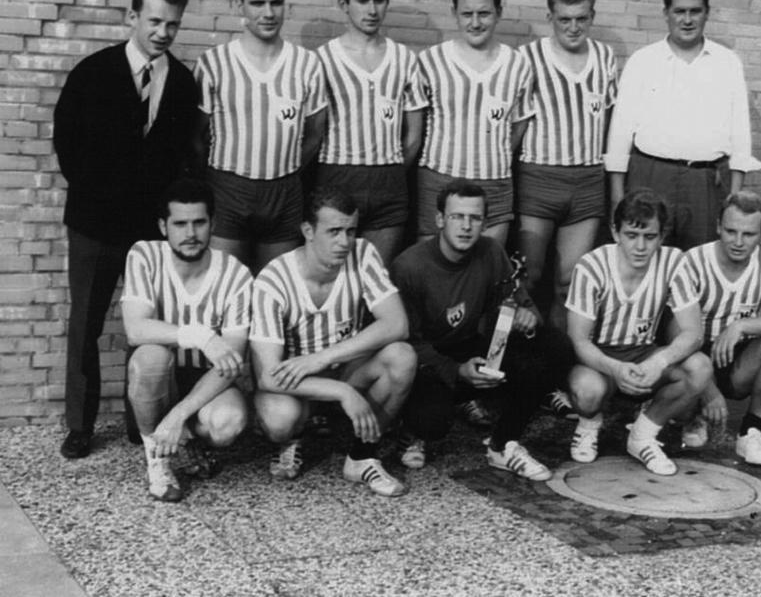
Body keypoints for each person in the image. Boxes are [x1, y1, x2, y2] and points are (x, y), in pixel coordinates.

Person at [53, 0, 200, 459]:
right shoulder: (92, 73)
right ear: (132, 16)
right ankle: (80, 425)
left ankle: (144, 421)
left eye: (173, 24)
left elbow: (181, 155)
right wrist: (100, 197)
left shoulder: (180, 82)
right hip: (94, 225)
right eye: (155, 21)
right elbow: (66, 145)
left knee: (148, 325)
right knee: (87, 324)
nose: (163, 32)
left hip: (146, 233)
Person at [391, 180, 574, 481]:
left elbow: (525, 308)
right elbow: (406, 341)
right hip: (428, 361)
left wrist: (525, 318)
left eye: (474, 218)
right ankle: (409, 430)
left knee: (555, 346)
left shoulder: (490, 252)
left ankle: (503, 444)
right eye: (457, 217)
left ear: (485, 223)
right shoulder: (410, 266)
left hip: (471, 349)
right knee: (432, 421)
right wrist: (455, 370)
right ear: (439, 220)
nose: (466, 226)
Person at [249, 186, 416, 497]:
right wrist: (341, 392)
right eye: (334, 231)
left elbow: (397, 324)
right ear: (308, 231)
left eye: (351, 231)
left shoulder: (362, 252)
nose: (344, 242)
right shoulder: (273, 280)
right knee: (279, 419)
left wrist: (323, 358)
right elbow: (268, 375)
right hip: (294, 381)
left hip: (342, 368)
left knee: (402, 357)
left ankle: (362, 455)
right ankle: (292, 439)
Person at [605, 0, 761, 251]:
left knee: (700, 266)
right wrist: (618, 199)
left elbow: (740, 134)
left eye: (695, 12)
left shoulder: (727, 63)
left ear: (707, 13)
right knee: (645, 262)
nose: (687, 20)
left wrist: (733, 199)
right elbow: (620, 133)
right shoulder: (644, 61)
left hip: (704, 183)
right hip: (649, 177)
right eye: (679, 11)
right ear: (666, 13)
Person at [122, 179, 252, 502]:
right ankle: (158, 457)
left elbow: (232, 362)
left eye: (199, 222)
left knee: (229, 422)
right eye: (180, 224)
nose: (190, 233)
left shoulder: (236, 275)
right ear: (163, 226)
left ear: (213, 224)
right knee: (150, 357)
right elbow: (136, 330)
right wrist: (201, 335)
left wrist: (179, 415)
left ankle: (187, 436)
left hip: (208, 381)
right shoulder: (144, 255)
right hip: (157, 379)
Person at [194, 0, 326, 273]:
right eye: (257, 3)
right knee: (224, 288)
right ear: (239, 5)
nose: (268, 13)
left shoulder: (306, 64)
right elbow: (195, 137)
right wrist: (218, 182)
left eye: (276, 2)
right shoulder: (214, 62)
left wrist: (285, 169)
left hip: (284, 192)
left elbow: (315, 133)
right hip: (228, 189)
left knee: (276, 290)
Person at [565, 189, 709, 475]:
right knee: (587, 392)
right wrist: (615, 368)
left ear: (662, 235)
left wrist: (658, 362)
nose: (641, 246)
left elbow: (694, 332)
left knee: (700, 368)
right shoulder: (591, 266)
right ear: (615, 233)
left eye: (650, 236)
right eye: (632, 235)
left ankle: (642, 436)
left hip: (643, 352)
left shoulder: (673, 261)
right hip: (599, 359)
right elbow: (578, 341)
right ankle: (589, 423)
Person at [517, 0, 618, 331]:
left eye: (581, 19)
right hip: (539, 178)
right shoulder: (527, 58)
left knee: (571, 281)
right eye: (564, 20)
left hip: (587, 181)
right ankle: (506, 366)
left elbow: (607, 120)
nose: (573, 28)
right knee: (525, 278)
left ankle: (561, 373)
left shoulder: (604, 57)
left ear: (592, 17)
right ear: (550, 18)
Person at [315, 0, 425, 265]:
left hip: (388, 180)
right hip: (337, 173)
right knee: (335, 272)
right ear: (344, 4)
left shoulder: (404, 58)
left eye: (379, 0)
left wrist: (390, 172)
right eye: (363, 1)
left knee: (376, 276)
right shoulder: (322, 60)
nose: (372, 10)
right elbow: (313, 130)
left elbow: (414, 134)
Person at [415, 0, 534, 246]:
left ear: (499, 12)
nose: (476, 23)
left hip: (494, 181)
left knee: (487, 270)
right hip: (439, 177)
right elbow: (417, 126)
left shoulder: (517, 64)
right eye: (467, 14)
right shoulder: (430, 60)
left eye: (484, 13)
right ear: (454, 13)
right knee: (432, 269)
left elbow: (517, 127)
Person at [683, 190, 761, 466]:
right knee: (684, 358)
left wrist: (741, 325)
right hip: (694, 355)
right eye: (730, 231)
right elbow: (674, 333)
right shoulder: (693, 261)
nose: (737, 242)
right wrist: (708, 390)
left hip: (736, 358)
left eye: (748, 234)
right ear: (717, 227)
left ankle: (750, 431)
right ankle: (690, 415)